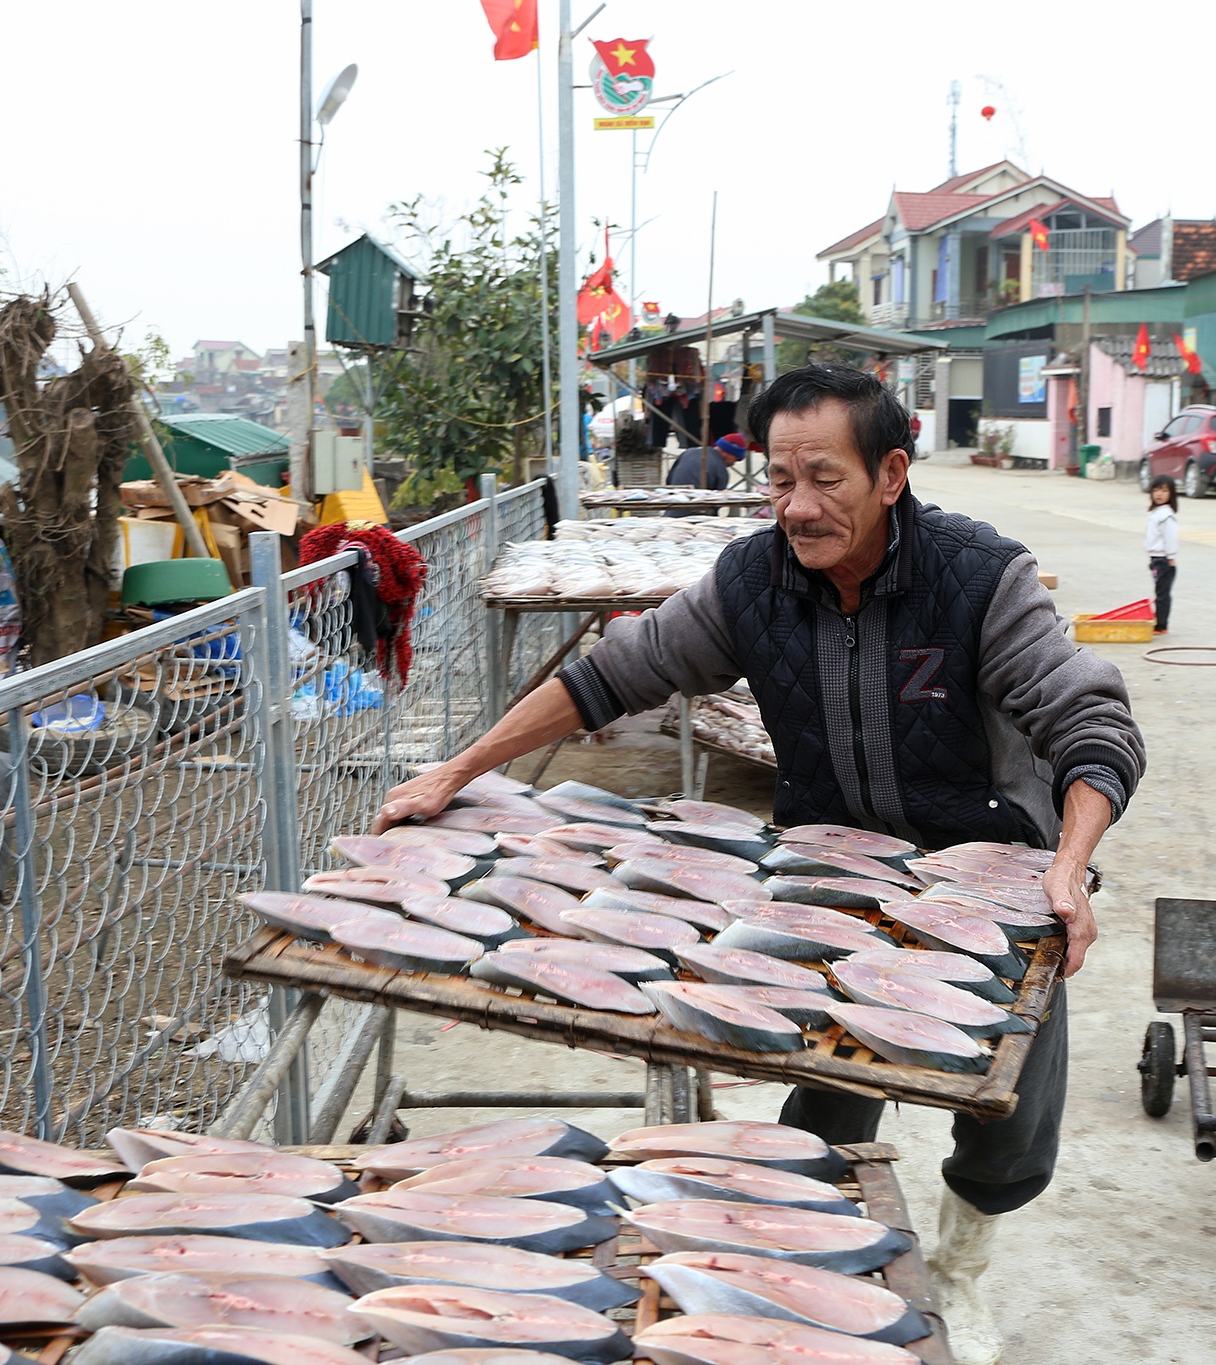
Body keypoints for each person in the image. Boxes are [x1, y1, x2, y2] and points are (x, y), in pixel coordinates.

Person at [372, 363, 1145, 1365]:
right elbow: (616, 671)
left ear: (891, 473)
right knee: (819, 1098)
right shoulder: (755, 581)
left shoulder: (977, 579)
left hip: (994, 877)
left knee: (1002, 1116)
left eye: (825, 478)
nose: (799, 505)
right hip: (830, 872)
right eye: (780, 480)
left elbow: (1088, 718)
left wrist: (1069, 865)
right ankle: (810, 1272)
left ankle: (964, 1271)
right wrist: (460, 767)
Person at [662, 433, 749, 517]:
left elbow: (669, 480)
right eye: (736, 459)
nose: (734, 463)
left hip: (671, 510)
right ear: (728, 453)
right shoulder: (720, 469)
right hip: (694, 517)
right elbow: (716, 502)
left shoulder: (689, 452)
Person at [1146, 477, 1179, 635]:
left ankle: (1161, 625)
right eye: (1156, 490)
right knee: (1159, 592)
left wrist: (1170, 557)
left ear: (1171, 494)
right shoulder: (1157, 513)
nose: (1159, 494)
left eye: (1164, 490)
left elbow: (1170, 538)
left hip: (1164, 560)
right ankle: (1160, 621)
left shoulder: (1166, 515)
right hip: (1156, 559)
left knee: (1162, 594)